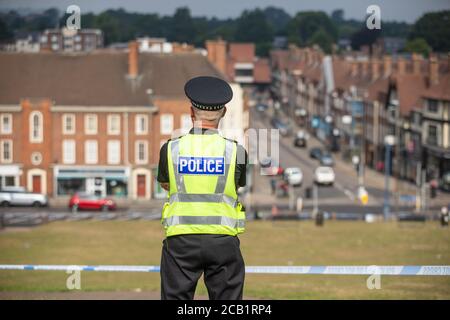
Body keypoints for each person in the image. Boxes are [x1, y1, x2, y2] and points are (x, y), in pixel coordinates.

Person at [157, 76, 248, 300]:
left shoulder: (170, 149)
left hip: (181, 239)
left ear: (191, 112)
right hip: (223, 240)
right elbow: (237, 186)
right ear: (224, 113)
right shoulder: (236, 152)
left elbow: (166, 184)